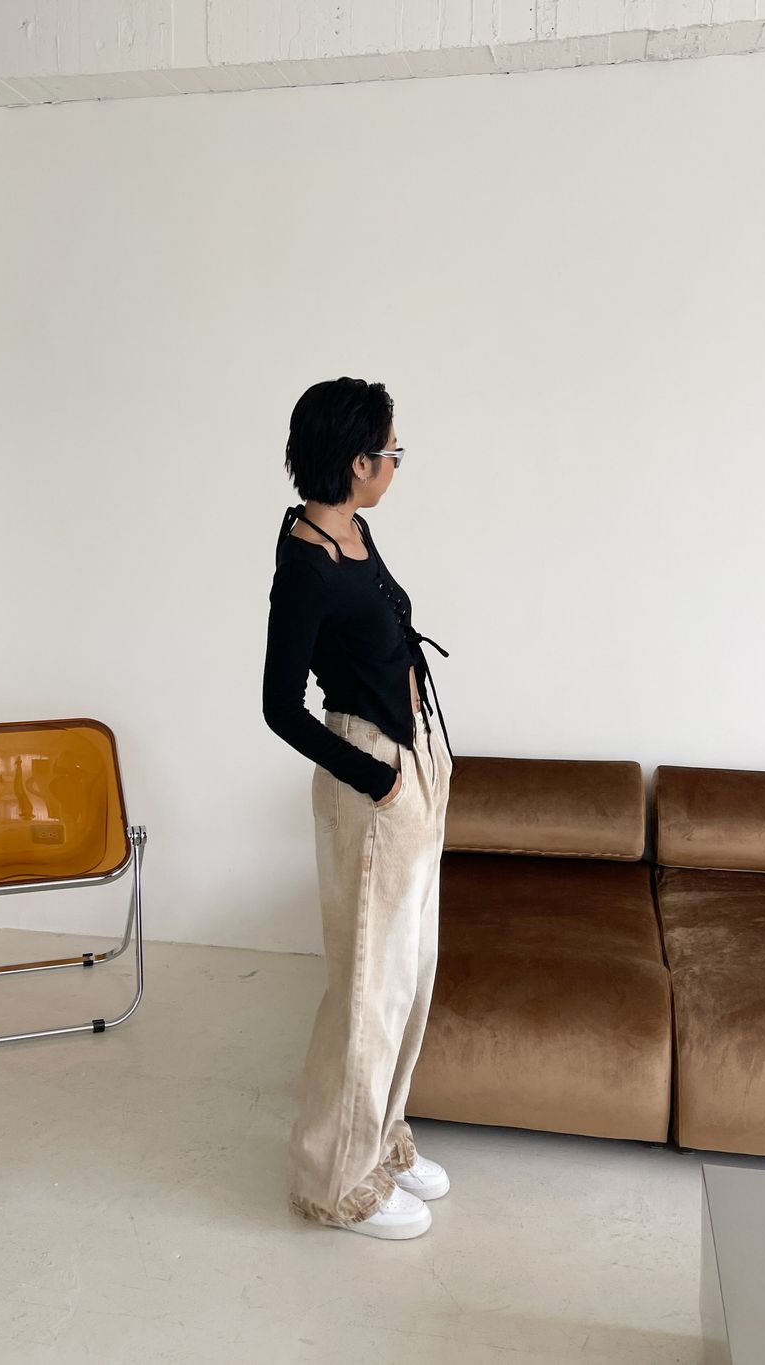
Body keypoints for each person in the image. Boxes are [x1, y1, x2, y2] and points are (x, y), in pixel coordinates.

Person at [262, 377, 455, 1240]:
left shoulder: (356, 532)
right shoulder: (305, 563)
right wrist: (377, 779)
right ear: (356, 462)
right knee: (369, 984)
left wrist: (416, 767)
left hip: (414, 762)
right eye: (391, 452)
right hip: (372, 778)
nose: (396, 464)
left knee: (410, 970)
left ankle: (380, 1140)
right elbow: (279, 705)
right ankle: (336, 1179)